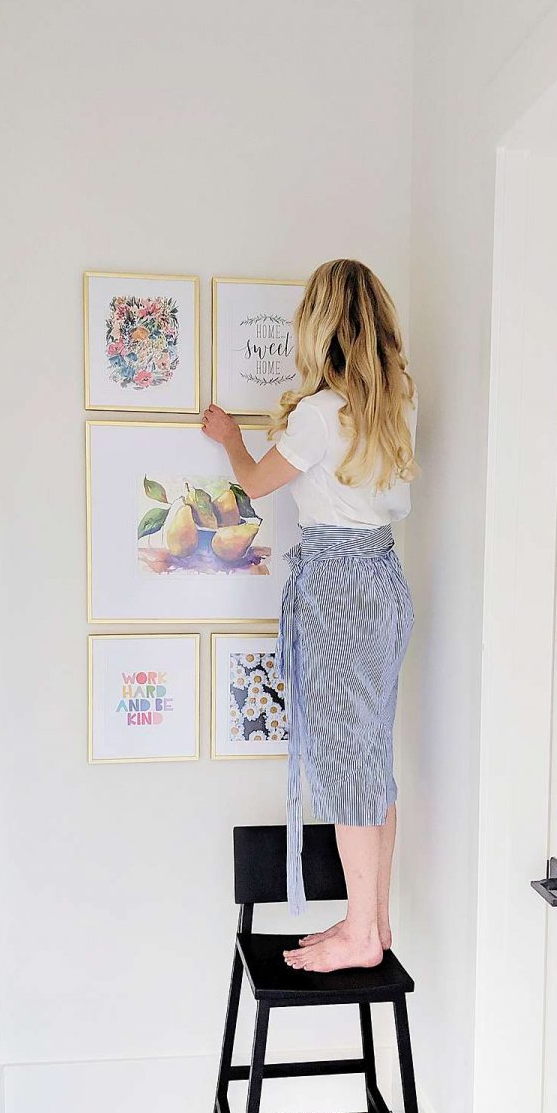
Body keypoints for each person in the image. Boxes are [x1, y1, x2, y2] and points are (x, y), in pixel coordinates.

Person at [202, 258, 417, 974]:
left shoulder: (322, 415)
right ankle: (372, 921)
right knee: (371, 758)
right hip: (383, 579)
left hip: (337, 584)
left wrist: (229, 437)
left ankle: (360, 933)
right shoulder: (396, 406)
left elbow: (258, 484)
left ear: (319, 326)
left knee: (352, 763)